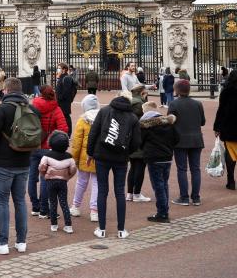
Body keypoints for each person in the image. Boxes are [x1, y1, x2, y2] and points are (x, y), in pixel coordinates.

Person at [0, 78, 38, 255]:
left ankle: (2, 242)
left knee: (2, 201)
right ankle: (21, 241)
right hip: (24, 162)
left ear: (6, 90)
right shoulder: (31, 108)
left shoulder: (2, 109)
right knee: (20, 201)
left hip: (3, 163)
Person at [87, 91, 141, 239]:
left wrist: (90, 153)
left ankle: (102, 229)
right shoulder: (132, 117)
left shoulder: (104, 111)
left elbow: (93, 133)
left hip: (101, 156)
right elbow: (137, 142)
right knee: (119, 192)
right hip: (121, 158)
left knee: (102, 191)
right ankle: (121, 230)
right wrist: (128, 152)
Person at [31, 86, 68, 218]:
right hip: (47, 147)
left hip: (33, 144)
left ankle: (35, 206)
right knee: (45, 178)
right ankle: (43, 209)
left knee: (32, 177)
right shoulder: (56, 108)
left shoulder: (34, 105)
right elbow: (63, 128)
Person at [168, 79, 206, 207]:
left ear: (177, 90)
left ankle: (184, 197)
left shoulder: (173, 104)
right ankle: (196, 198)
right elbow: (202, 122)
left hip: (180, 140)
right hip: (196, 139)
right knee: (195, 169)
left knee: (182, 169)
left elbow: (170, 122)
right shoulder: (198, 103)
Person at [139, 102, 178, 223]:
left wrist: (146, 148)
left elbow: (140, 142)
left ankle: (162, 213)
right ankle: (164, 210)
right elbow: (177, 138)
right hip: (167, 157)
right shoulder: (169, 123)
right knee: (164, 184)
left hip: (154, 158)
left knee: (158, 185)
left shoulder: (145, 126)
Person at [39, 131, 77, 233]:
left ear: (51, 143)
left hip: (50, 182)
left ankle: (54, 225)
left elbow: (42, 168)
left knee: (52, 202)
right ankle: (68, 226)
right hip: (63, 182)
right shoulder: (69, 157)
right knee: (64, 202)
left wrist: (45, 176)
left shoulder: (46, 156)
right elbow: (73, 169)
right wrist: (67, 177)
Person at [69, 94, 99, 222]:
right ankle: (94, 211)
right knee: (97, 183)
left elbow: (77, 142)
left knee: (81, 182)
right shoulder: (103, 118)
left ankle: (76, 206)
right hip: (98, 155)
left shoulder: (83, 119)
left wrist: (74, 158)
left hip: (84, 156)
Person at [214, 70, 237, 190]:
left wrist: (217, 127)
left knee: (230, 155)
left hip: (229, 128)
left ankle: (231, 180)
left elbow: (221, 111)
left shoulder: (226, 92)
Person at [55, 64, 77, 134]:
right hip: (61, 101)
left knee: (66, 116)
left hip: (64, 102)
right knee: (63, 116)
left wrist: (61, 97)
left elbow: (67, 90)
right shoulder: (61, 77)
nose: (58, 70)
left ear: (64, 70)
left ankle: (68, 133)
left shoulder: (66, 78)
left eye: (59, 68)